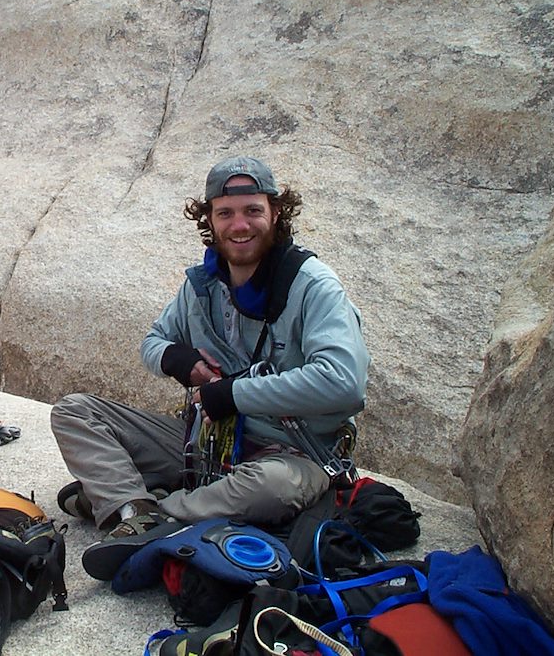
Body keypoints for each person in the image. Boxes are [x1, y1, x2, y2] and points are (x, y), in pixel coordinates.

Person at [50, 156, 369, 577]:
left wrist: (233, 393)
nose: (240, 225)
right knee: (74, 411)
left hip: (293, 455)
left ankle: (144, 509)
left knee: (271, 490)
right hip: (206, 447)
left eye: (253, 210)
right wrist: (182, 361)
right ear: (210, 220)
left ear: (276, 213)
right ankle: (136, 506)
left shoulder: (313, 285)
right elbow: (154, 342)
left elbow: (344, 383)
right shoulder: (202, 286)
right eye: (226, 213)